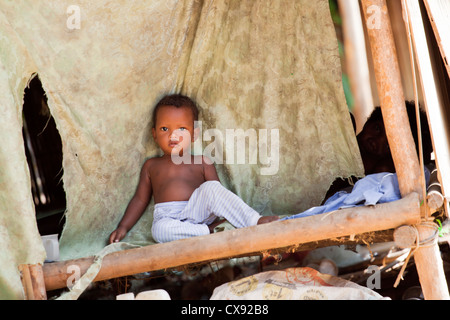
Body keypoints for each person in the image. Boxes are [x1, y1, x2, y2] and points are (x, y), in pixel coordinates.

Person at [109, 94, 278, 244]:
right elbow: (140, 199)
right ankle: (209, 231)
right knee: (159, 230)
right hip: (168, 218)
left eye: (182, 129)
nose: (173, 135)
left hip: (197, 212)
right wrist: (123, 226)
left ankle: (255, 220)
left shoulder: (202, 161)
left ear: (194, 134)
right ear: (154, 134)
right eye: (164, 129)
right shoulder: (151, 165)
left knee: (211, 188)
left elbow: (218, 195)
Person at [323, 101, 433, 202]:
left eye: (388, 145)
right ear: (368, 122)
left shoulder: (374, 183)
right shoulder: (341, 130)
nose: (376, 141)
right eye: (377, 129)